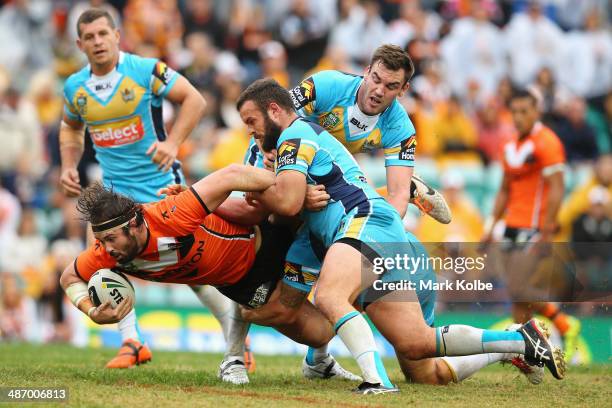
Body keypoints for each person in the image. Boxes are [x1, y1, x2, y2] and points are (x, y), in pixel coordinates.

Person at [235, 78, 565, 394]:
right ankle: (516, 341)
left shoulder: (296, 135)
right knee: (422, 358)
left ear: (275, 110)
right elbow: (298, 313)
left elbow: (286, 201)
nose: (251, 133)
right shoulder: (309, 228)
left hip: (372, 229)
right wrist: (243, 308)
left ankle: (377, 383)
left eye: (252, 121)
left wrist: (229, 189)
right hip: (383, 240)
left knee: (331, 296)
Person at [243, 45, 450, 371]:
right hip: (282, 168)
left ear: (404, 89)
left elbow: (395, 202)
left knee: (343, 280)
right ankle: (242, 355)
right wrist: (293, 183)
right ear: (366, 70)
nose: (379, 91)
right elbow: (271, 119)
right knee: (261, 246)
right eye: (376, 79)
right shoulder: (325, 87)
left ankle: (319, 360)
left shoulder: (401, 128)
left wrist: (362, 241)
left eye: (391, 86)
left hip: (334, 193)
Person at [58, 8, 242, 370]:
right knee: (101, 266)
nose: (97, 42)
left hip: (161, 189)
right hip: (112, 197)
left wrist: (173, 143)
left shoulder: (146, 70)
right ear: (79, 44)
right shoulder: (74, 87)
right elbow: (69, 127)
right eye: (89, 37)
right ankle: (132, 342)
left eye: (102, 34)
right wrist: (67, 164)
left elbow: (195, 100)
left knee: (190, 270)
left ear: (116, 35)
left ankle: (236, 341)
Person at [59, 164, 359, 385]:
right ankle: (316, 362)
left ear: (136, 224)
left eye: (111, 239)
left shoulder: (172, 214)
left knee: (325, 227)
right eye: (101, 241)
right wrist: (89, 310)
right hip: (244, 281)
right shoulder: (105, 254)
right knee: (320, 331)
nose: (105, 249)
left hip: (267, 234)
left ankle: (383, 209)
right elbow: (69, 278)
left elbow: (232, 175)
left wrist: (294, 191)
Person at [482, 89, 580, 358]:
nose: (518, 117)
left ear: (536, 112)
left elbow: (557, 188)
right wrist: (491, 226)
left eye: (524, 111)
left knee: (518, 286)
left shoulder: (547, 142)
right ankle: (525, 355)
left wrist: (548, 229)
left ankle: (562, 321)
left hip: (535, 226)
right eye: (514, 111)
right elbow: (504, 190)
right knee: (517, 294)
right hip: (512, 224)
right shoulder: (509, 145)